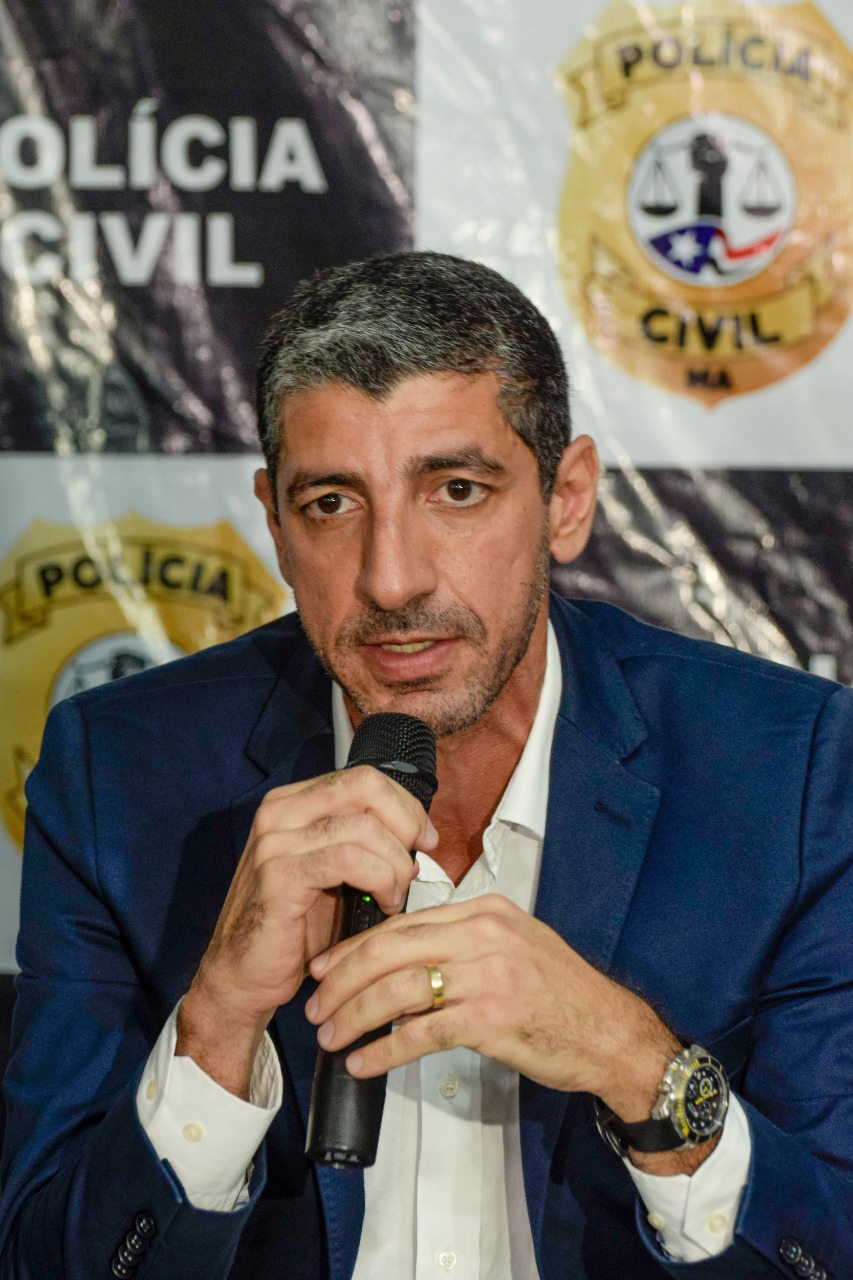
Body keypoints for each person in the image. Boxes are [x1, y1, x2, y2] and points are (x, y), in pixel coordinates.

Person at [1, 251, 851, 1280]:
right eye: (331, 503)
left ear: (566, 498)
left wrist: (637, 1063)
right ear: (274, 524)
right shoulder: (120, 774)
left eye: (456, 489)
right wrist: (218, 1023)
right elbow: (46, 1259)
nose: (392, 579)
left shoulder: (789, 772)